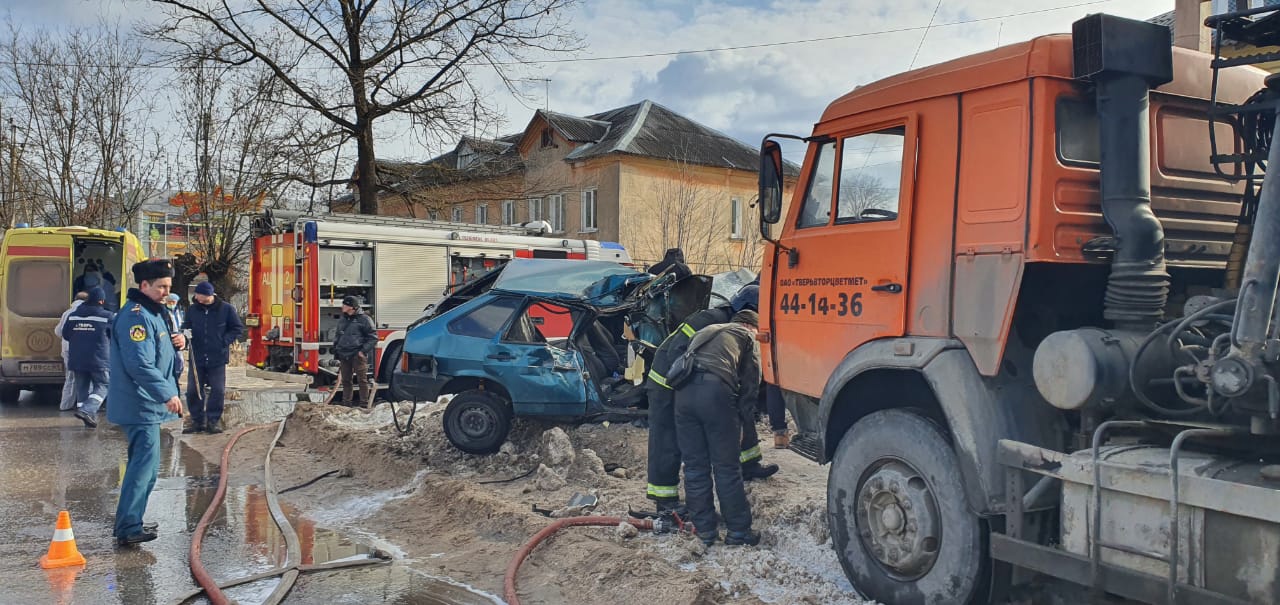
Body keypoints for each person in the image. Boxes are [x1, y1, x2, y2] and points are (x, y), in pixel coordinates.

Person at [644, 285, 776, 511]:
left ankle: (749, 464)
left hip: (698, 380)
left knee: (740, 411)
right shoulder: (710, 319)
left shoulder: (736, 325)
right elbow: (678, 350)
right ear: (747, 309)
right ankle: (664, 500)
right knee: (667, 439)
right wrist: (693, 386)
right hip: (667, 380)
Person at [107, 258, 184, 546]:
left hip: (147, 404)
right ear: (144, 285)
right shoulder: (136, 316)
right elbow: (139, 364)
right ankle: (128, 526)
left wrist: (178, 342)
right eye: (161, 287)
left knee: (149, 468)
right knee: (142, 468)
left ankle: (133, 518)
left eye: (168, 286)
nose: (166, 292)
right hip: (140, 404)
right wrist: (167, 393)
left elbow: (158, 348)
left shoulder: (153, 313)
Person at [674, 309, 763, 547]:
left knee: (694, 467)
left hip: (683, 396)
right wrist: (744, 425)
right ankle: (738, 531)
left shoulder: (707, 331)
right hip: (714, 394)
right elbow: (750, 387)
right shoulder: (747, 338)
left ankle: (704, 531)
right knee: (726, 467)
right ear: (751, 326)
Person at [181, 281, 243, 435]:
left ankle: (213, 421)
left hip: (217, 357)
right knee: (193, 389)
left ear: (210, 295)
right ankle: (197, 421)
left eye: (203, 297)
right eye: (198, 296)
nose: (199, 299)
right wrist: (185, 332)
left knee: (218, 390)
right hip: (197, 357)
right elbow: (186, 325)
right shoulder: (193, 310)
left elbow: (237, 328)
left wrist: (224, 341)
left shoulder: (226, 309)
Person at [63, 287, 114, 428]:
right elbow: (115, 336)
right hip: (99, 359)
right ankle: (87, 410)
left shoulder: (73, 315)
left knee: (82, 389)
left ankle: (87, 417)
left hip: (77, 359)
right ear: (102, 301)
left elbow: (66, 335)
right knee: (104, 385)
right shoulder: (107, 316)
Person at [333, 295, 377, 407]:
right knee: (346, 381)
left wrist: (362, 351)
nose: (342, 306)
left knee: (362, 380)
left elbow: (373, 338)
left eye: (345, 304)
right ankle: (346, 404)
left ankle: (364, 404)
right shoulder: (343, 319)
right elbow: (338, 335)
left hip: (357, 354)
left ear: (352, 307)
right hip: (344, 354)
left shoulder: (365, 319)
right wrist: (337, 350)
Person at [55, 292, 90, 411]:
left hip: (67, 350)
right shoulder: (88, 312)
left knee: (70, 378)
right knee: (86, 378)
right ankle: (86, 407)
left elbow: (58, 331)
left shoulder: (67, 313)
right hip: (83, 350)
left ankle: (65, 405)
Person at [164, 293, 186, 394]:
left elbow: (183, 324)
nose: (172, 304)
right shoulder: (163, 312)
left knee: (180, 362)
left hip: (179, 336)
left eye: (173, 302)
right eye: (170, 302)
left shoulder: (180, 311)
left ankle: (176, 378)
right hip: (169, 337)